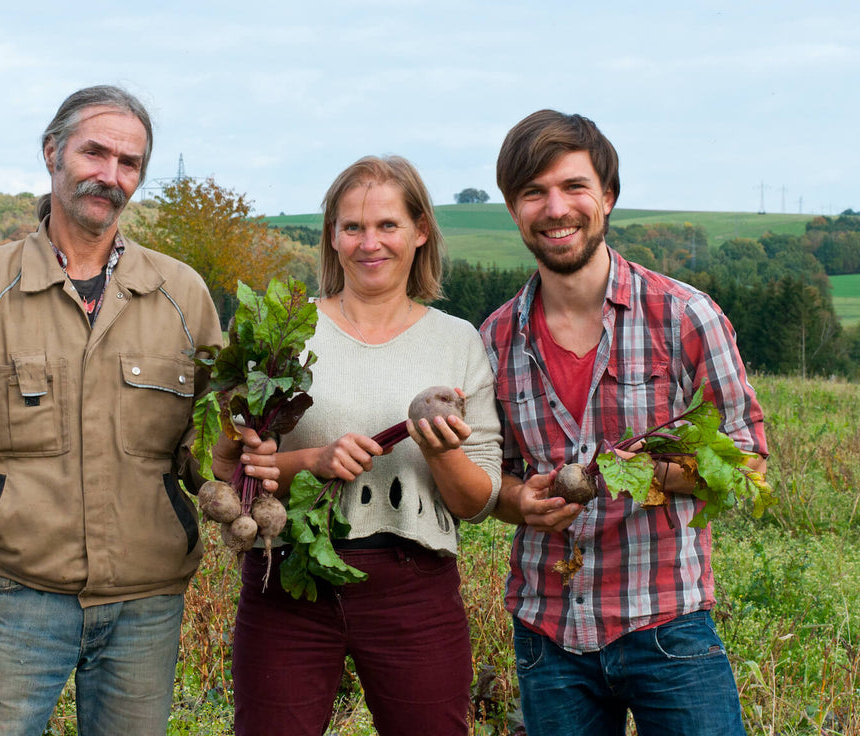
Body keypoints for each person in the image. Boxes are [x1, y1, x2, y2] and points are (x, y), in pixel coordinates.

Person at [0, 84, 274, 735]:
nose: (110, 175)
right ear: (53, 152)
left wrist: (246, 470)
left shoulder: (179, 295)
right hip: (15, 600)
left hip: (145, 607)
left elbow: (204, 448)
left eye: (129, 162)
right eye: (95, 152)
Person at [480, 109, 768, 735]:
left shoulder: (685, 317)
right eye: (534, 193)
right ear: (513, 210)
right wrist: (516, 500)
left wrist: (647, 472)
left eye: (573, 187)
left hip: (667, 625)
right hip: (547, 633)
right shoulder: (495, 340)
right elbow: (489, 480)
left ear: (607, 197)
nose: (556, 208)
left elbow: (746, 461)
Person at [230, 155, 503, 736]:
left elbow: (477, 502)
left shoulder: (457, 342)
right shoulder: (289, 332)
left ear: (420, 231)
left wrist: (441, 452)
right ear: (332, 236)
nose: (368, 243)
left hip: (415, 588)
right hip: (289, 580)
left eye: (387, 225)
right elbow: (238, 473)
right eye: (352, 227)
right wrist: (313, 460)